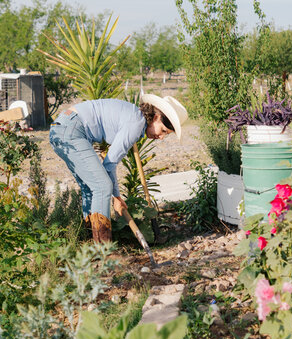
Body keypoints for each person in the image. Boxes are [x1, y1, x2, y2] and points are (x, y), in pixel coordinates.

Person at [49, 94, 188, 242]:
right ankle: (103, 249)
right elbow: (109, 164)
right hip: (71, 131)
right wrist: (117, 197)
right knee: (102, 186)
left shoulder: (135, 117)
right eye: (163, 131)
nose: (161, 137)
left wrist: (116, 196)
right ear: (156, 118)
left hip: (63, 128)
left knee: (90, 187)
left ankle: (89, 243)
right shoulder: (136, 123)